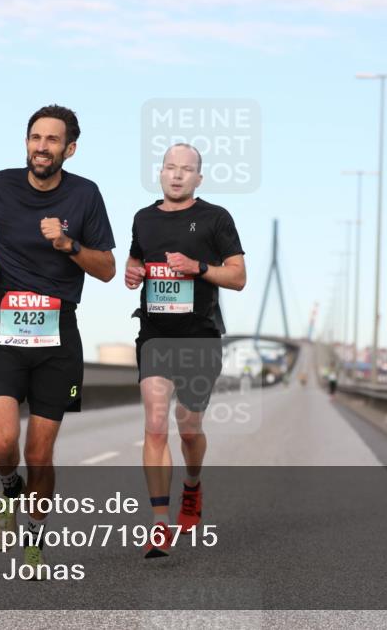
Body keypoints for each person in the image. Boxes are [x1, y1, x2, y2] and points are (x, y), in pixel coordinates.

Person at [0, 104, 116, 572]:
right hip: (7, 329)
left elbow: (108, 269)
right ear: (26, 142)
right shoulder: (0, 185)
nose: (42, 147)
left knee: (39, 451)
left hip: (58, 338)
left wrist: (69, 245)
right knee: (1, 443)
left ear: (69, 149)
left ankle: (33, 532)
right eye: (36, 137)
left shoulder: (86, 195)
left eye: (52, 140)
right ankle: (10, 487)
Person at [124, 143, 246, 558]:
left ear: (199, 178)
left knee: (188, 426)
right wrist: (132, 271)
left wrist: (199, 269)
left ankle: (192, 486)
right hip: (155, 334)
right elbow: (135, 260)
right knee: (156, 425)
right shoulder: (143, 218)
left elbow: (238, 277)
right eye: (170, 168)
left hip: (200, 336)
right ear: (160, 173)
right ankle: (160, 523)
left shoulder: (215, 218)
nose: (177, 175)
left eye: (186, 169)